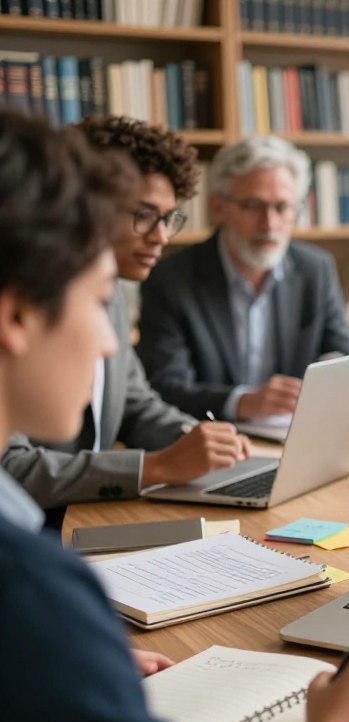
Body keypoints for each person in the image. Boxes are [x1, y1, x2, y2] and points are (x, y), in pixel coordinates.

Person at [0, 109, 349, 722]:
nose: (107, 342)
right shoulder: (33, 591)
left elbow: (136, 397)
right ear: (18, 313)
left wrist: (77, 659)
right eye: (92, 297)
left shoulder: (40, 607)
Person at [1, 116, 248, 517]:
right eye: (145, 214)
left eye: (168, 218)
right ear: (89, 204)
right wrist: (155, 467)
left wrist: (197, 438)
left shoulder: (112, 293)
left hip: (90, 512)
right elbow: (7, 467)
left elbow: (135, 404)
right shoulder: (28, 296)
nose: (161, 237)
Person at [136, 135, 349, 421]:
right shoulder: (170, 279)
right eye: (254, 206)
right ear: (219, 208)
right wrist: (241, 402)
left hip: (293, 434)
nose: (269, 224)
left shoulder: (314, 269)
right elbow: (164, 388)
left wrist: (333, 372)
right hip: (212, 438)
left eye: (282, 207)